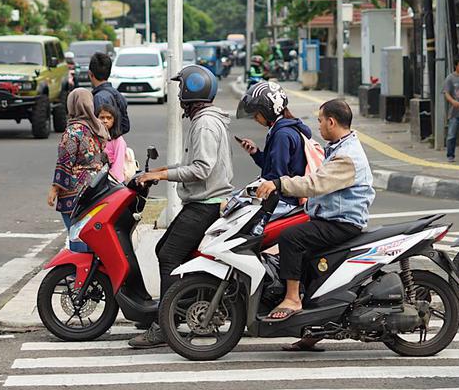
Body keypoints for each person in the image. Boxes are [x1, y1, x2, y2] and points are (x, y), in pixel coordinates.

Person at [129, 65, 234, 349]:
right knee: (166, 251)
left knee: (168, 255)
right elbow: (193, 164)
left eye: (180, 90)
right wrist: (157, 170)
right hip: (202, 201)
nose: (177, 96)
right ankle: (174, 310)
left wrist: (160, 175)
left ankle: (165, 325)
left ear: (191, 91)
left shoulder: (205, 124)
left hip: (206, 204)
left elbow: (201, 169)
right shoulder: (204, 119)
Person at [256, 98, 375, 337]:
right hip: (328, 217)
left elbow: (315, 183)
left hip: (341, 223)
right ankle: (310, 332)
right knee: (307, 263)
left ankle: (292, 299)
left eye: (320, 121)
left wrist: (278, 184)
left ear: (331, 122)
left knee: (291, 237)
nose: (318, 126)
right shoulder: (340, 146)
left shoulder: (347, 156)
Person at [235, 80, 310, 213]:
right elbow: (274, 166)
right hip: (283, 196)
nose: (254, 118)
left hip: (284, 201)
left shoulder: (282, 135)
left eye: (256, 113)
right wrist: (256, 153)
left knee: (232, 205)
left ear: (267, 111)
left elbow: (277, 176)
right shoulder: (285, 128)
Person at [48, 88, 108, 252]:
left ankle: (78, 273)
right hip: (96, 188)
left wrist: (54, 189)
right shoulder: (98, 129)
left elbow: (64, 162)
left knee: (77, 235)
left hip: (75, 193)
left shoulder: (73, 131)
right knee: (91, 235)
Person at [89, 52, 130, 139]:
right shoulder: (118, 94)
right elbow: (125, 126)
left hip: (105, 146)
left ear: (90, 74)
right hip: (117, 143)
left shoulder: (98, 97)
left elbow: (99, 129)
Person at [97, 104, 131, 182]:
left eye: (109, 118)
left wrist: (113, 179)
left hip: (112, 181)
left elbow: (118, 163)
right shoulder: (95, 137)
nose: (105, 121)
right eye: (102, 117)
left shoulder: (118, 140)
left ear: (114, 120)